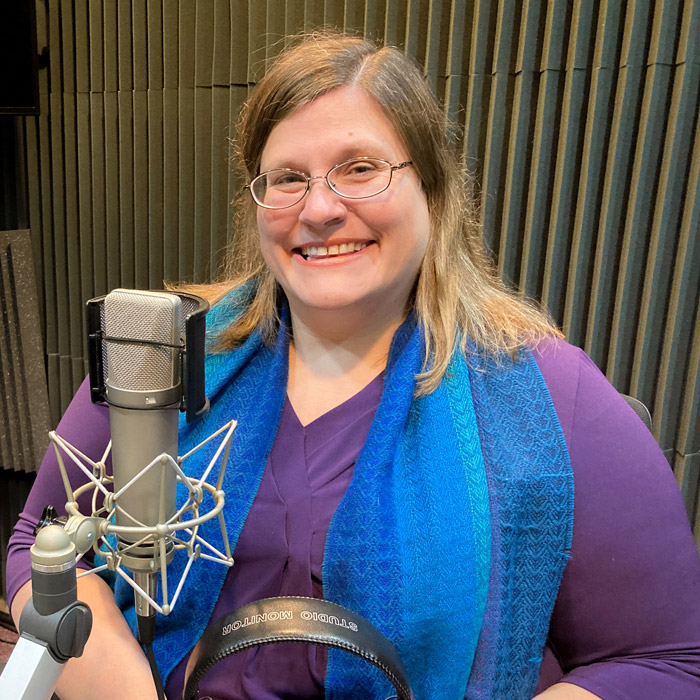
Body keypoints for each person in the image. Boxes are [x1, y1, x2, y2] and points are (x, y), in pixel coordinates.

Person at [6, 32, 700, 700]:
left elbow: (667, 661)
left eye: (360, 169)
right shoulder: (160, 354)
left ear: (432, 187)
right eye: (287, 179)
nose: (319, 208)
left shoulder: (549, 397)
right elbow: (40, 549)